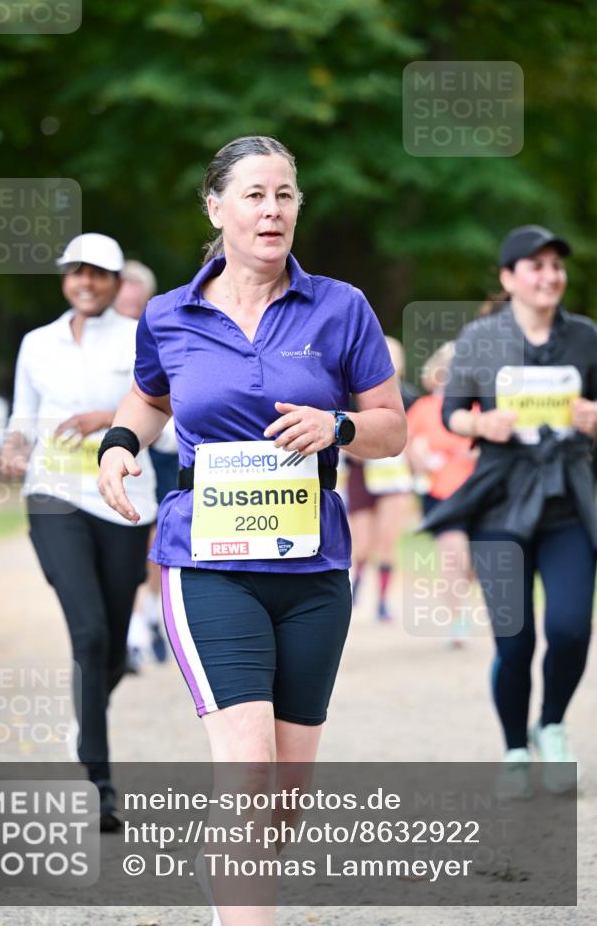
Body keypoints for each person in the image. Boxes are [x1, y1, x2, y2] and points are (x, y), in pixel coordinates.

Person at [98, 135, 406, 925]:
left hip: (312, 571)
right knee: (248, 774)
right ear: (216, 208)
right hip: (207, 563)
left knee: (284, 803)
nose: (272, 210)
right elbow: (150, 398)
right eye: (254, 195)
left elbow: (391, 427)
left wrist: (338, 425)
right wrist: (119, 444)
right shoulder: (170, 314)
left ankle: (226, 881)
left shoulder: (341, 307)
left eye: (284, 195)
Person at [424, 225, 597, 795]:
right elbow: (451, 413)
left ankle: (552, 724)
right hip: (500, 505)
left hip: (569, 502)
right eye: (536, 266)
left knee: (571, 629)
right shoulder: (480, 338)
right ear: (508, 277)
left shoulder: (586, 338)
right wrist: (483, 423)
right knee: (514, 641)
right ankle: (516, 748)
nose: (550, 276)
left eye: (556, 266)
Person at [0, 233, 156, 830]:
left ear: (116, 282)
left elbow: (167, 422)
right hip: (54, 498)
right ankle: (99, 783)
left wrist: (108, 419)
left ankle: (85, 718)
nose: (85, 282)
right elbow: (22, 418)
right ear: (66, 279)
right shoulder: (37, 343)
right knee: (88, 634)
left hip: (123, 502)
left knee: (111, 650)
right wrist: (14, 448)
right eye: (76, 272)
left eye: (98, 274)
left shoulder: (144, 338)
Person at [115, 260, 176, 670]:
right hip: (126, 444)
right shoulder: (104, 341)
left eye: (136, 306)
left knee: (157, 538)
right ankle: (136, 625)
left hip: (165, 447)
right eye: (124, 306)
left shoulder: (163, 331)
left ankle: (150, 611)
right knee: (132, 533)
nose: (129, 314)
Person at [406, 342, 477, 646]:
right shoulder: (424, 407)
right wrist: (418, 457)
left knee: (472, 563)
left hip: (476, 494)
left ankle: (460, 593)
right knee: (452, 556)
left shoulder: (477, 407)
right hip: (439, 493)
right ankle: (458, 620)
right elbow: (407, 444)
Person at [346, 337, 420, 619]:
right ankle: (355, 586)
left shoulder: (410, 398)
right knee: (362, 543)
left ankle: (383, 601)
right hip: (361, 472)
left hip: (395, 477)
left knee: (388, 541)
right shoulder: (352, 394)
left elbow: (416, 436)